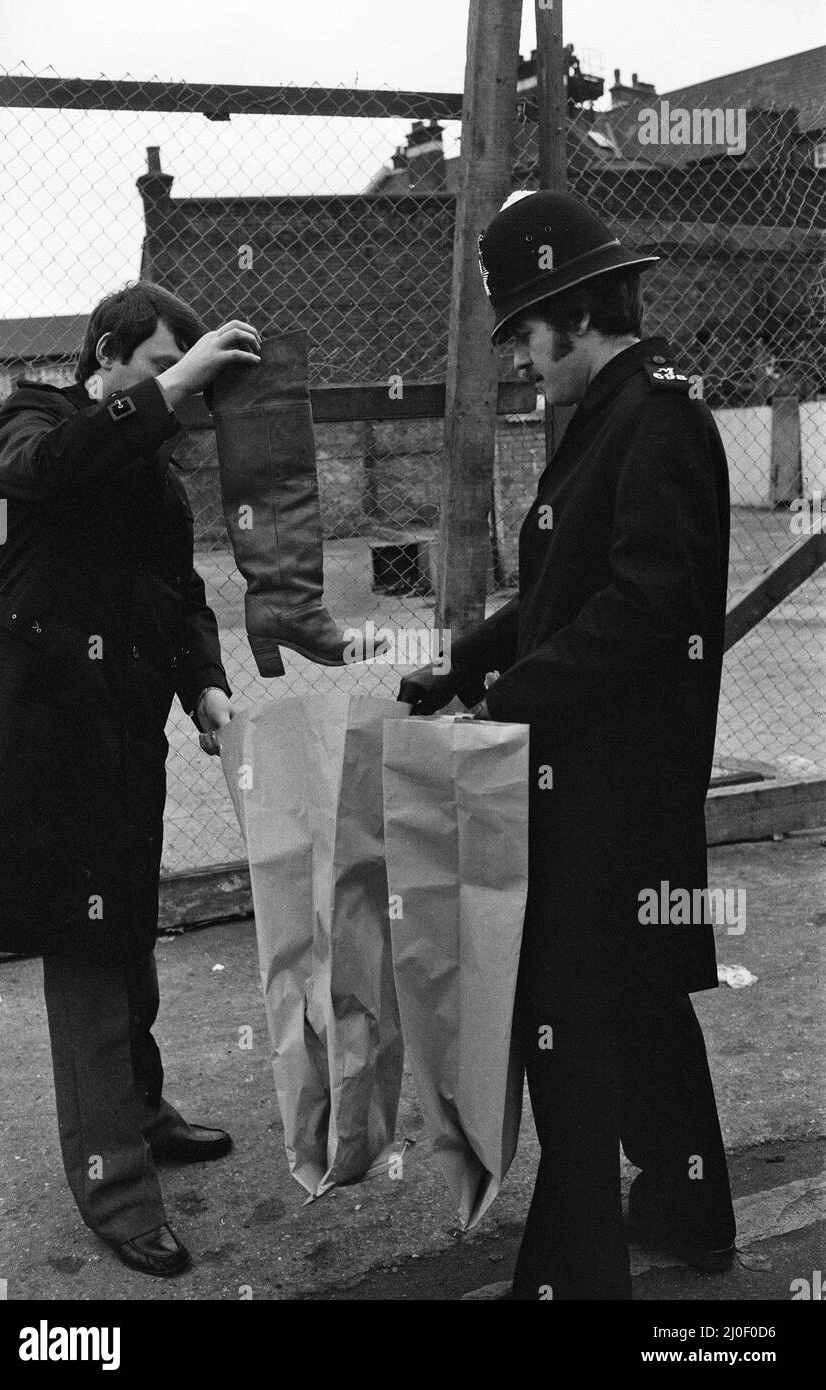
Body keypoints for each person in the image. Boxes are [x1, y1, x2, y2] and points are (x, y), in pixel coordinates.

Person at [399, 190, 737, 1300]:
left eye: (522, 336)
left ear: (571, 311)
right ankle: (689, 1214)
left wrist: (510, 700)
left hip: (611, 781)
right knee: (635, 994)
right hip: (600, 769)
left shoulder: (658, 414)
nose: (518, 360)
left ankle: (573, 1273)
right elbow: (563, 590)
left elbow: (645, 603)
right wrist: (462, 661)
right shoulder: (617, 408)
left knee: (571, 1019)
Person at [0, 282, 261, 1277]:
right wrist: (177, 386)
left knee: (127, 936)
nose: (175, 398)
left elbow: (179, 598)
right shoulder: (32, 420)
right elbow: (47, 471)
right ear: (109, 355)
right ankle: (117, 1189)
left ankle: (142, 1113)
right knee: (90, 961)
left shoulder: (156, 482)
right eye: (158, 367)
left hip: (124, 746)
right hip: (52, 759)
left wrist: (209, 690)